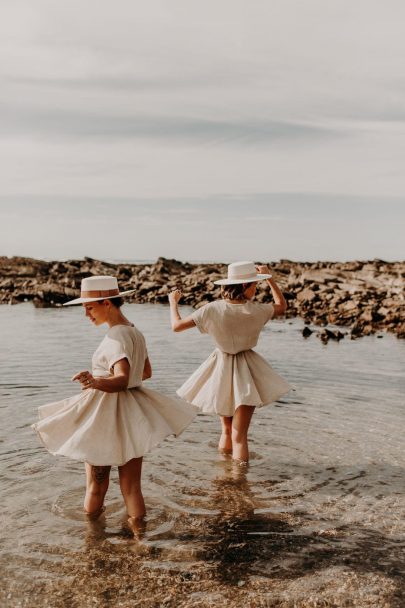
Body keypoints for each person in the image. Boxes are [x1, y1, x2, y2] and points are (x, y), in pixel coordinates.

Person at [32, 275, 197, 532]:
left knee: (96, 486)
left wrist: (94, 381)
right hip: (131, 415)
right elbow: (146, 373)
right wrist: (112, 379)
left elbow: (120, 379)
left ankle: (92, 541)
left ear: (107, 303)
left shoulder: (115, 337)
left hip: (105, 417)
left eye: (89, 307)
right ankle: (140, 539)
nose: (86, 314)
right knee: (131, 488)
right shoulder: (134, 331)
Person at [168, 261, 291, 464]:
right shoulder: (257, 310)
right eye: (254, 285)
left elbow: (177, 326)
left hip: (221, 368)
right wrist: (269, 279)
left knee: (226, 430)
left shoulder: (212, 309)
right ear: (244, 286)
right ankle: (239, 481)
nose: (255, 289)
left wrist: (173, 302)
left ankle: (224, 472)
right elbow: (282, 306)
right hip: (247, 370)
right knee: (240, 436)